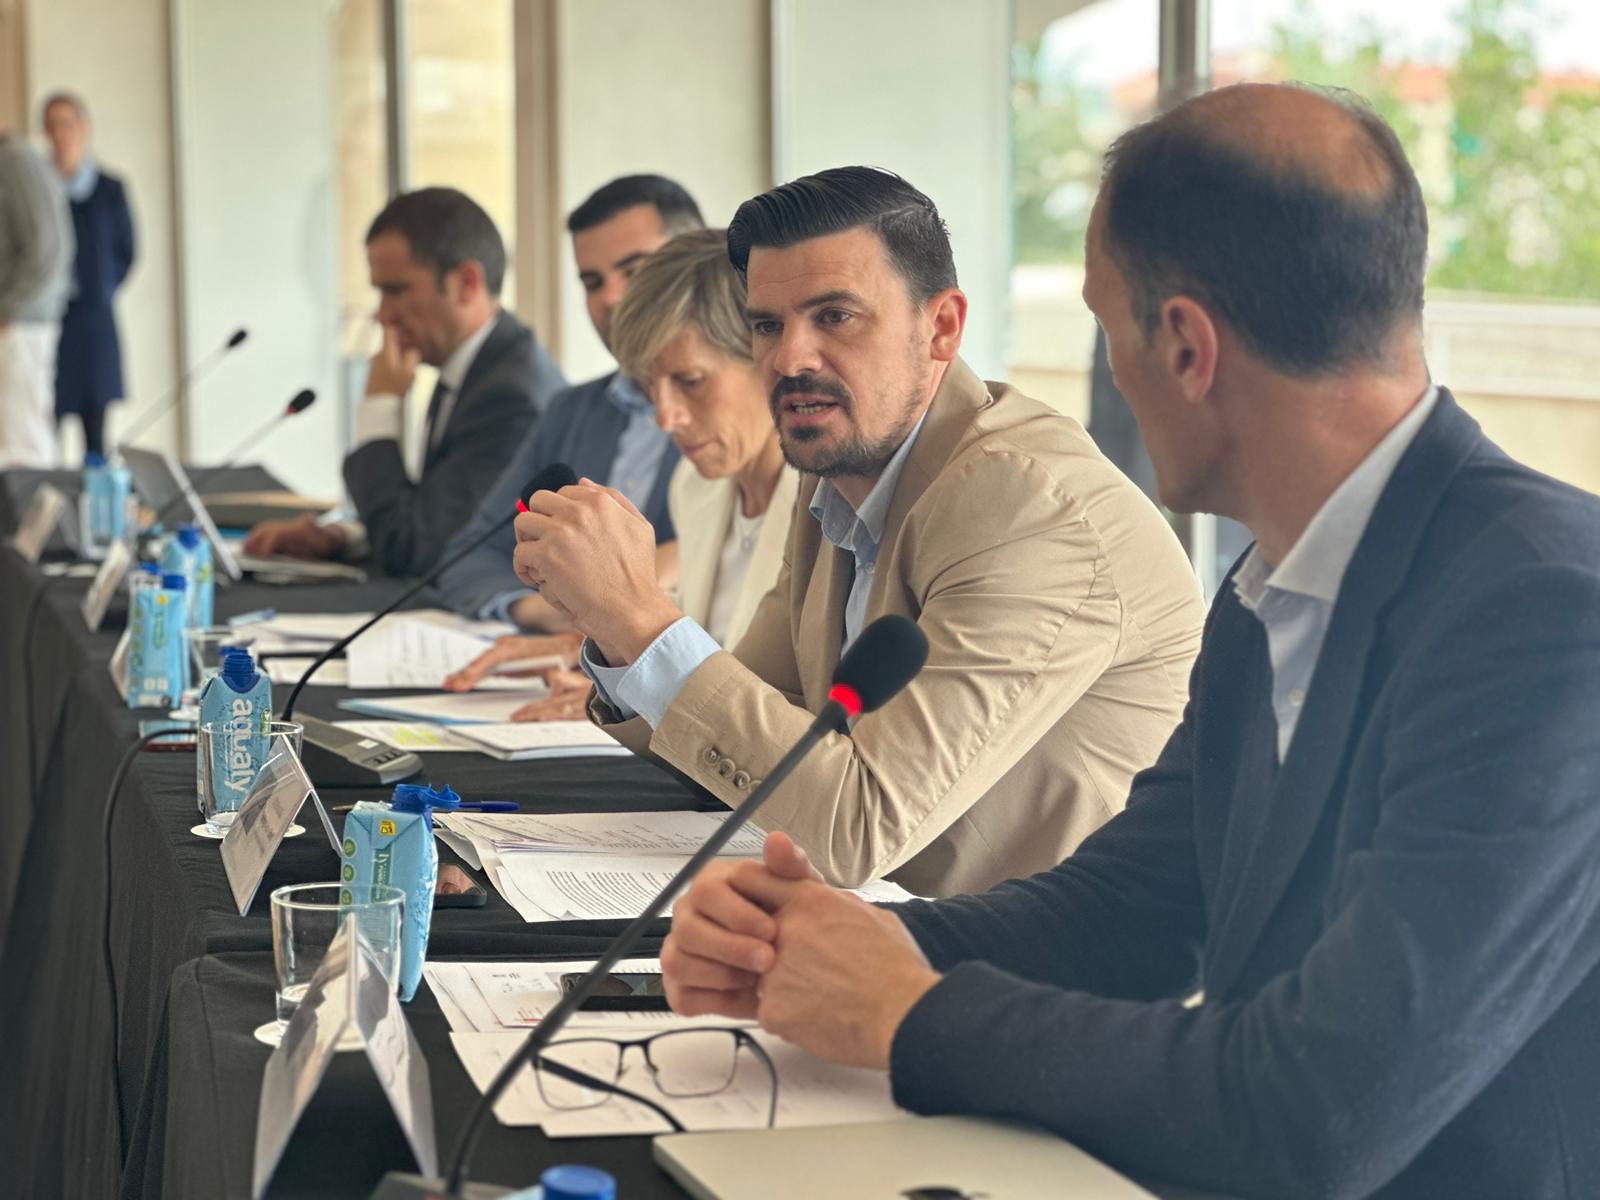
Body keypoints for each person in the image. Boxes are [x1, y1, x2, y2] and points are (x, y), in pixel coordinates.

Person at [662, 84, 1600, 1200]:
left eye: (1104, 327)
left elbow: (1316, 1108)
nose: (1105, 373)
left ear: (1186, 348)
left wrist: (911, 1015)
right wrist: (832, 941)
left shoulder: (1545, 609)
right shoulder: (1271, 586)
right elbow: (1138, 908)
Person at [512, 167, 1204, 898]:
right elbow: (732, 733)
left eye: (835, 317)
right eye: (767, 325)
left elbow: (858, 827)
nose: (790, 359)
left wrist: (639, 615)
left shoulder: (1027, 506)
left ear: (941, 328)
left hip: (1062, 977)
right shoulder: (839, 468)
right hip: (898, 932)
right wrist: (612, 624)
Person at [445, 229, 798, 721]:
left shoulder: (828, 507)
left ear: (766, 357)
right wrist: (605, 671)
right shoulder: (697, 488)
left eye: (690, 381)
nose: (665, 416)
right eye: (652, 387)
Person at [243, 187, 565, 576]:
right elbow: (429, 515)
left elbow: (420, 551)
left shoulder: (509, 396)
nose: (382, 315)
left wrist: (380, 407)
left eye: (395, 291)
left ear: (466, 283)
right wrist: (344, 538)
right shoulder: (473, 366)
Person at [433, 175, 699, 628]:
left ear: (696, 268)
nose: (612, 299)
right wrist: (542, 612)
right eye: (593, 282)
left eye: (635, 271)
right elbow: (469, 555)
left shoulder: (752, 421)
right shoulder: (569, 412)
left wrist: (600, 604)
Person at [42, 92, 135, 460]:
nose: (60, 134)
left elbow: (127, 252)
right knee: (44, 429)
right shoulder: (40, 189)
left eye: (66, 124)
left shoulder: (110, 190)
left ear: (84, 128)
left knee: (95, 433)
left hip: (95, 325)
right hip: (50, 323)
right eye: (52, 126)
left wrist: (100, 287)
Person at [0, 126, 73, 469]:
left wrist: (8, 313)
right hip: (14, 322)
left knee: (25, 445)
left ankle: (43, 525)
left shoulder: (16, 161)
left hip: (20, 326)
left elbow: (47, 252)